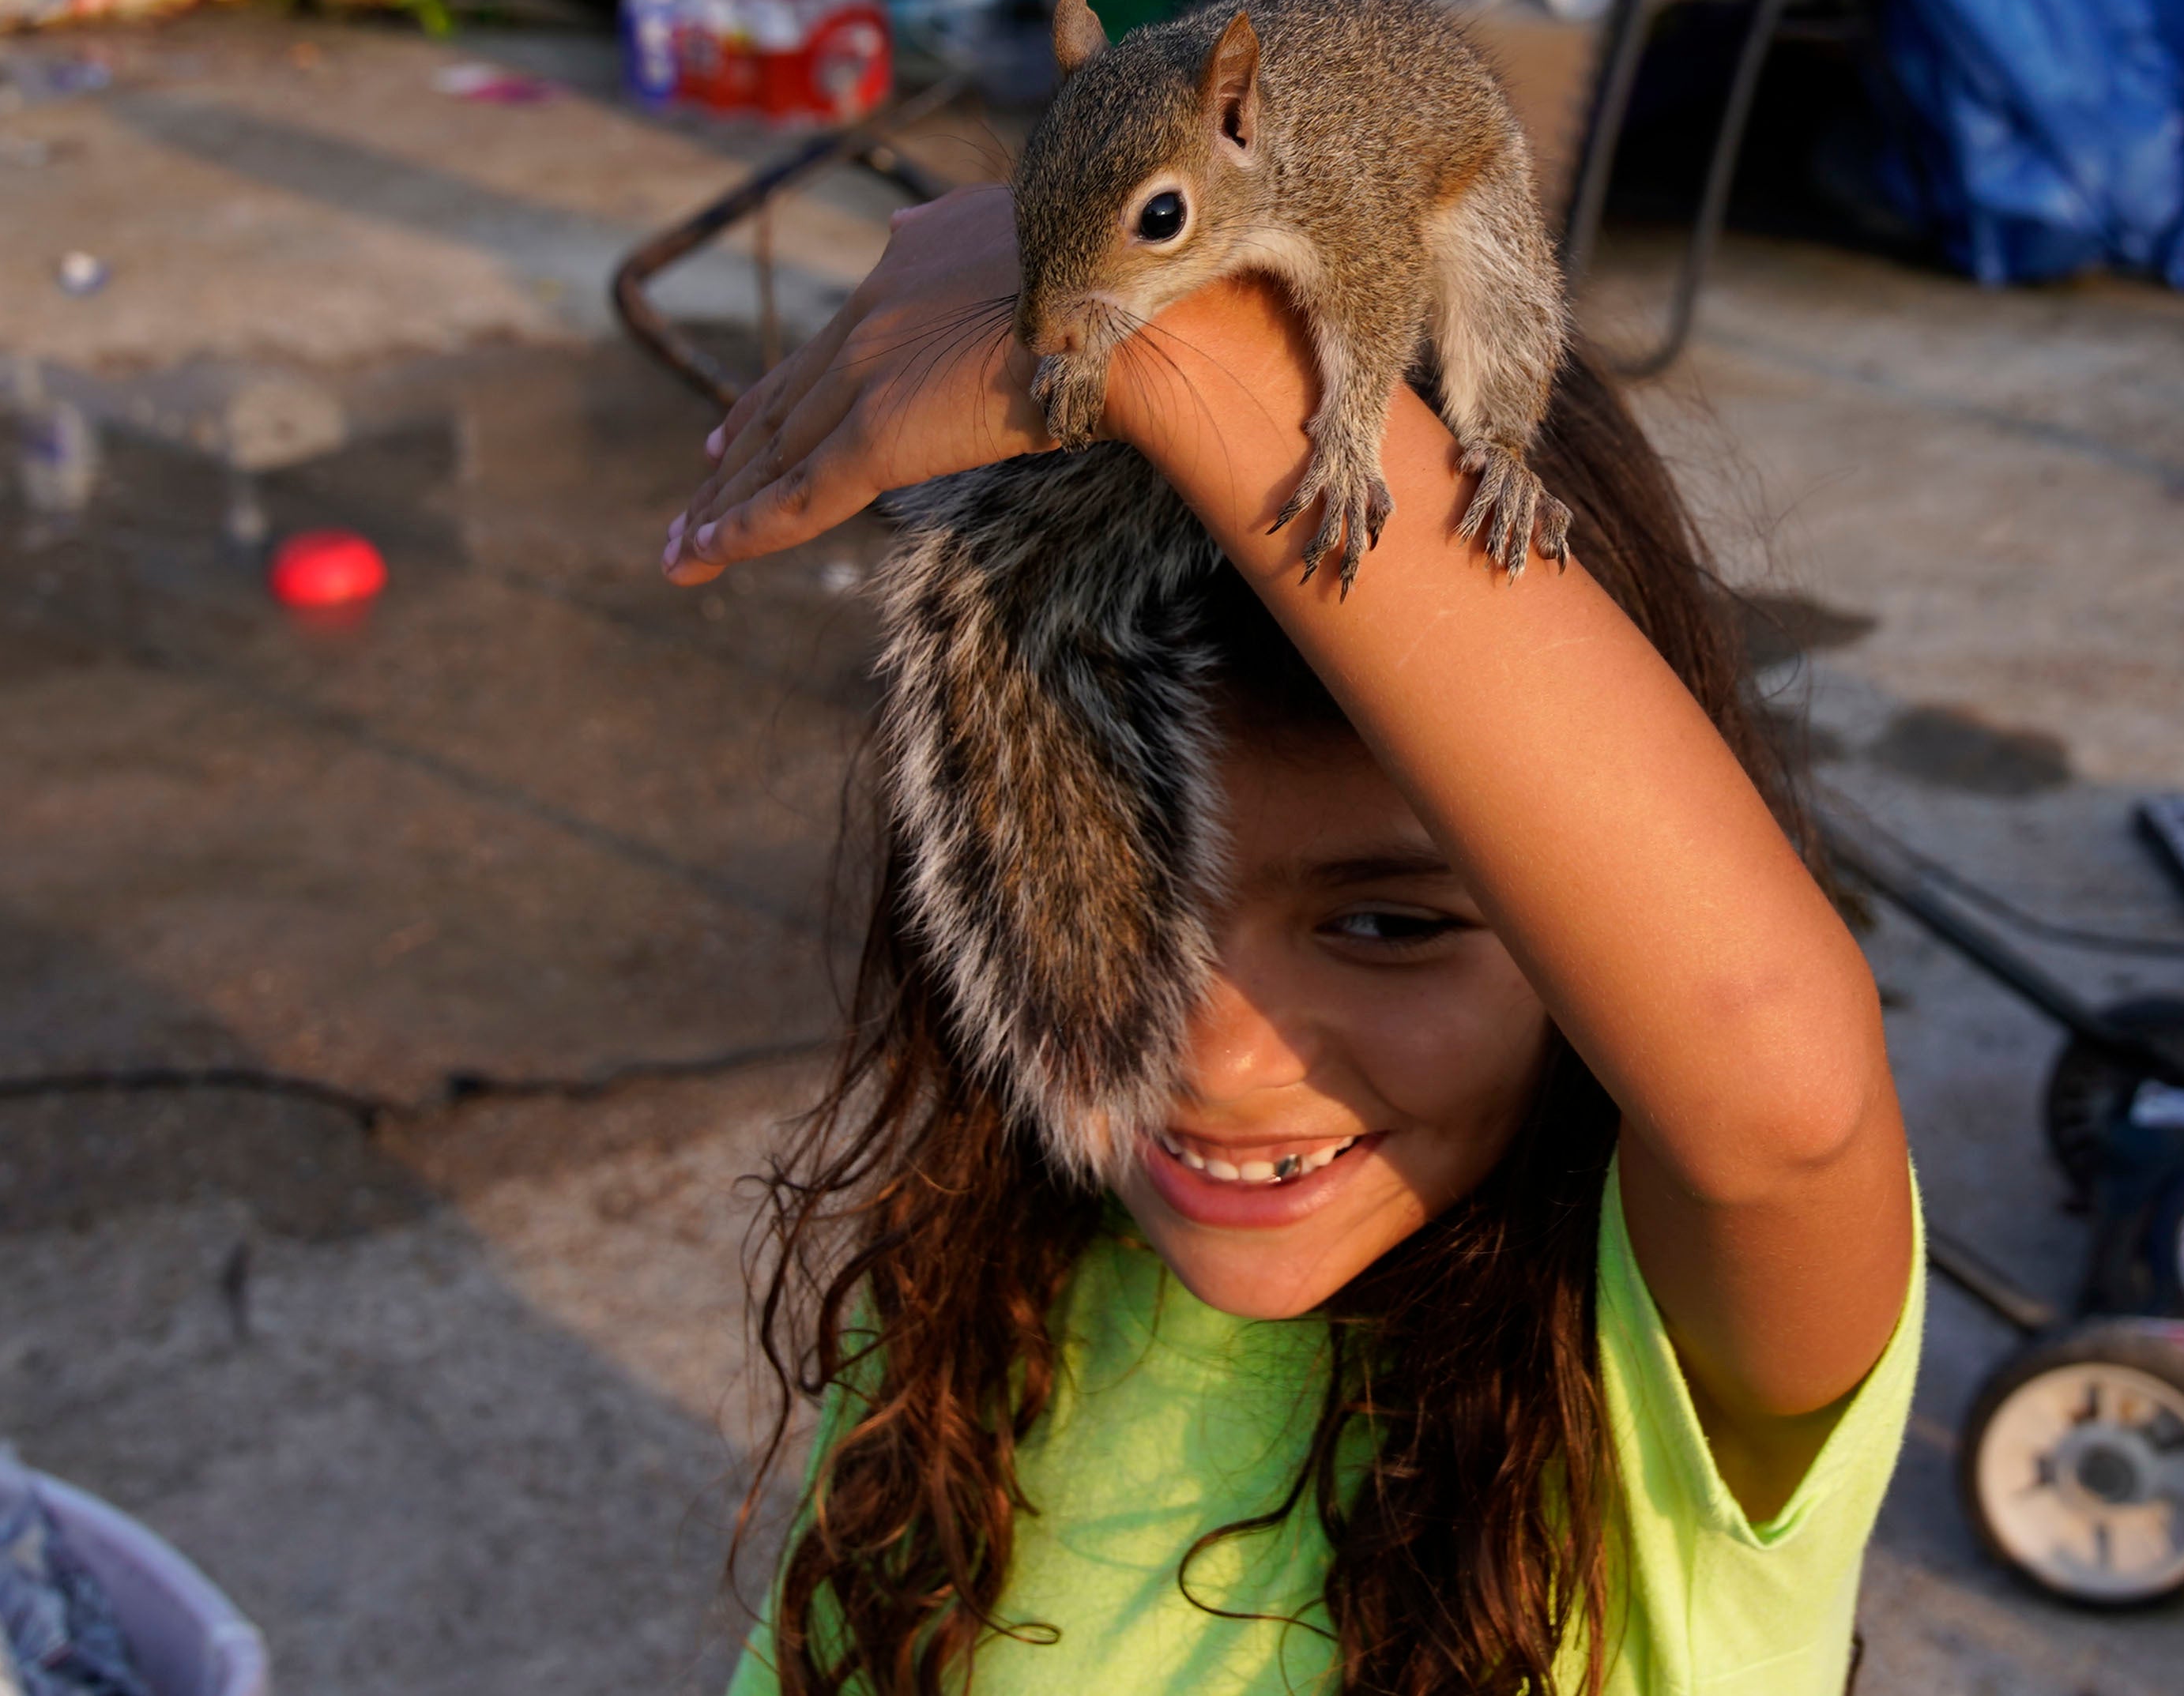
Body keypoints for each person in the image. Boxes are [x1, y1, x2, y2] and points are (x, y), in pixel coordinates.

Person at [658, 185, 1922, 1692]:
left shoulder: (1675, 1375)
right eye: (1106, 885)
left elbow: (1778, 1095)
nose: (1210, 1049)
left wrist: (1149, 331)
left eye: (1387, 924)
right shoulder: (994, 1293)